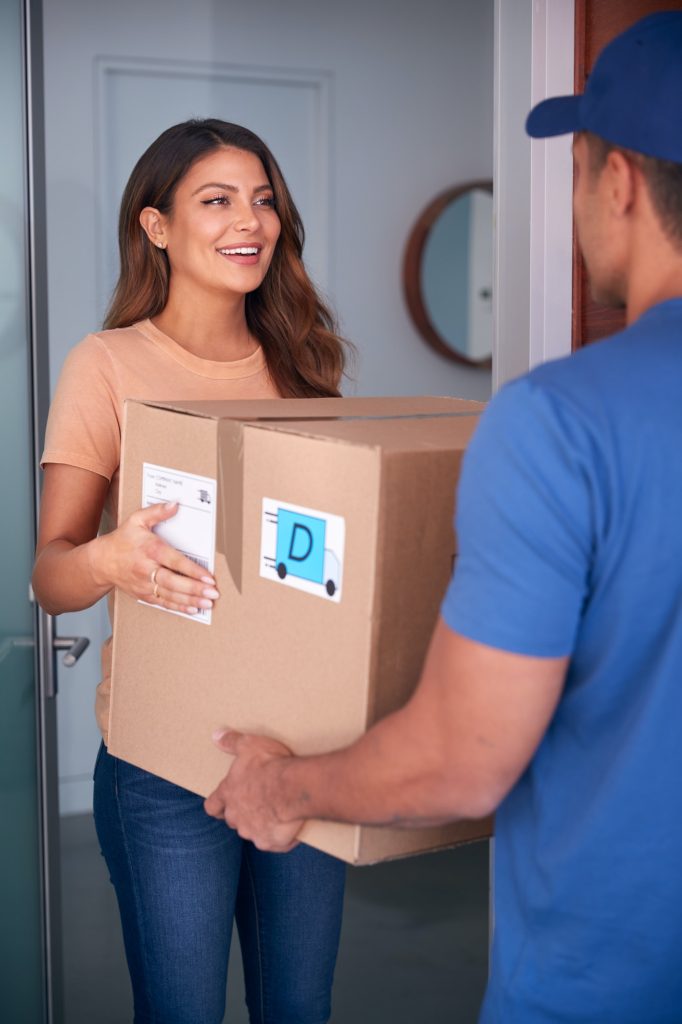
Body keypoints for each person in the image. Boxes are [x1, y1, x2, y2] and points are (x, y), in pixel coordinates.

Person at [204, 13, 682, 1023]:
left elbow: (463, 758)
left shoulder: (561, 423)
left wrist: (279, 788)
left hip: (611, 983)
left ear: (618, 182)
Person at [32, 118, 349, 1024]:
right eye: (216, 200)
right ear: (156, 226)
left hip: (299, 751)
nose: (250, 220)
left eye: (263, 200)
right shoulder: (108, 365)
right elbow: (48, 576)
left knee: (299, 1008)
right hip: (162, 766)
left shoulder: (305, 366)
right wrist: (109, 556)